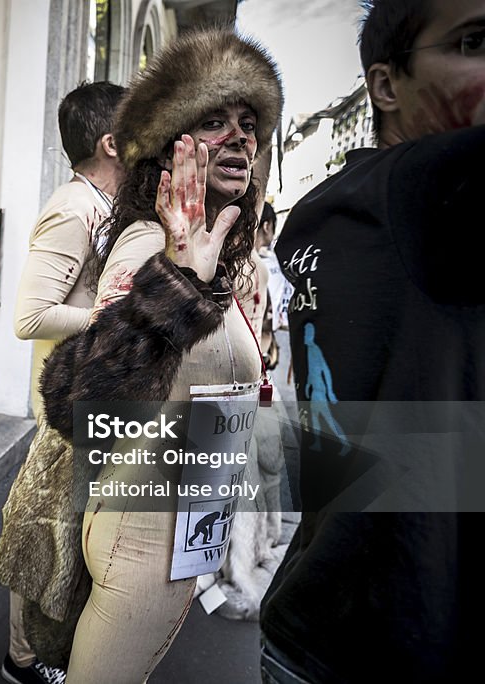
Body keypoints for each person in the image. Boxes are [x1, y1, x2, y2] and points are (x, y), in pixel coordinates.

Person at [3, 29, 281, 681]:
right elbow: (81, 398)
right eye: (214, 120)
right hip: (144, 531)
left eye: (250, 122)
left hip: (175, 525)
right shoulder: (151, 242)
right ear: (167, 142)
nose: (240, 137)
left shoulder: (213, 245)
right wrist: (174, 283)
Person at [260, 0, 485, 680]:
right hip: (375, 643)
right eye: (474, 42)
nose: (237, 144)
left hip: (324, 615)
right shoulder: (422, 190)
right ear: (386, 86)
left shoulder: (323, 212)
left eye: (249, 128)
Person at [0, 79, 125, 684]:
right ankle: (23, 660)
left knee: (69, 538)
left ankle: (44, 653)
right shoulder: (72, 209)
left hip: (92, 398)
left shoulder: (103, 207)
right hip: (67, 403)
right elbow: (29, 315)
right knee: (42, 532)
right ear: (111, 142)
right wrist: (118, 315)